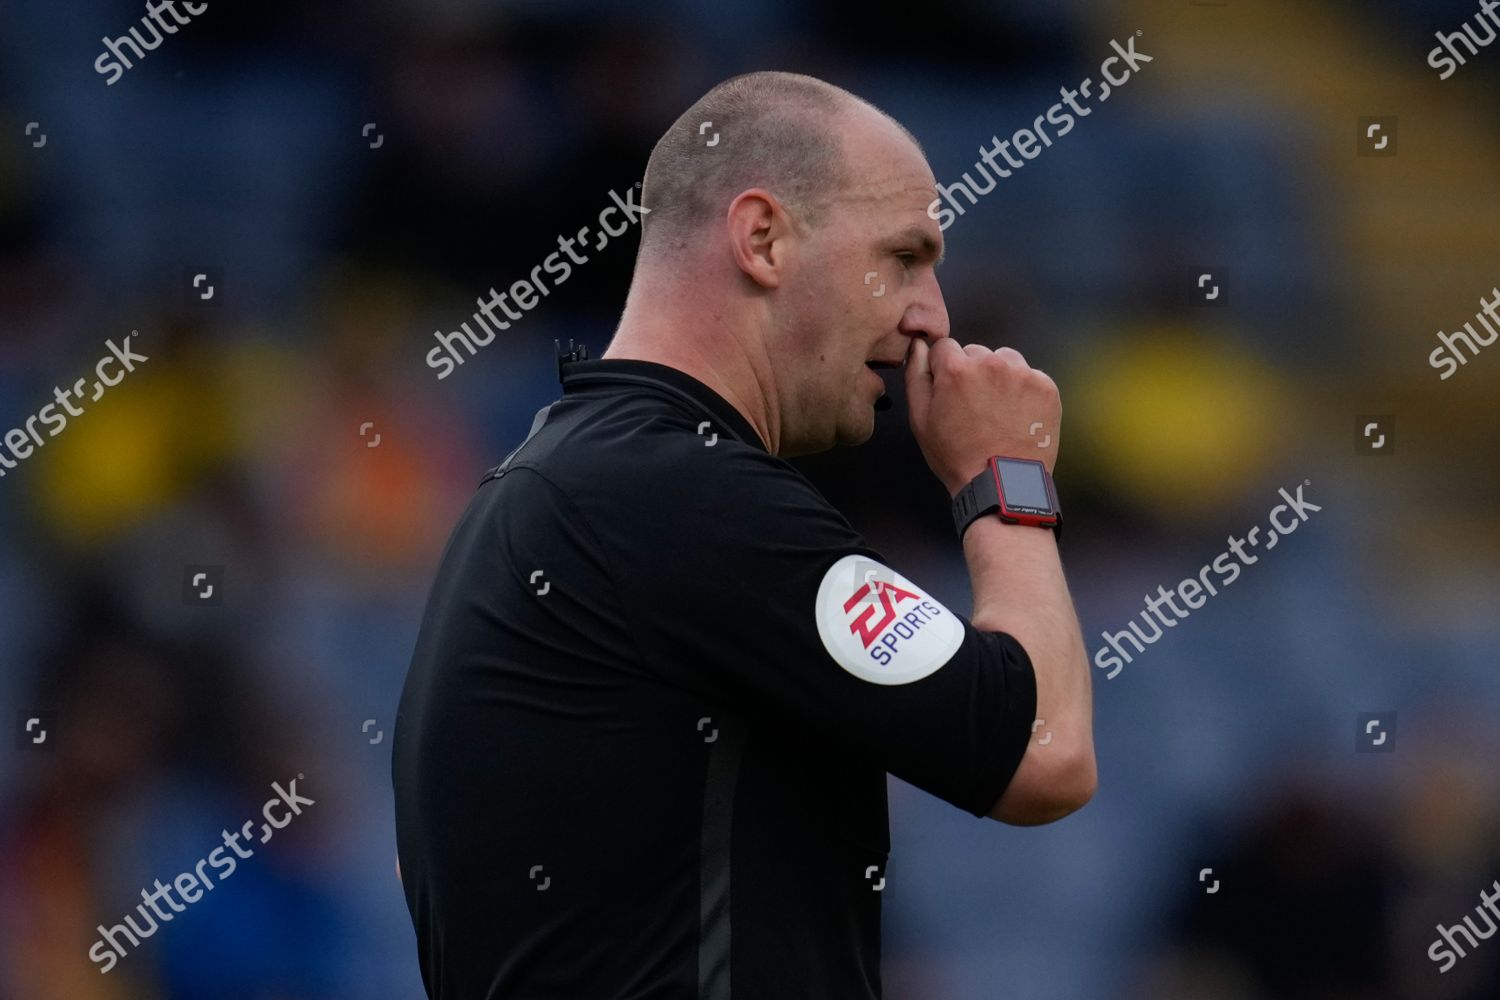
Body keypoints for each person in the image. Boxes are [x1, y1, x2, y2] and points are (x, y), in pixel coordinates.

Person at [393, 70, 1096, 1000]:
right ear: (762, 238)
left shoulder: (548, 491)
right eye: (904, 257)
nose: (933, 316)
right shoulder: (685, 496)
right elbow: (1043, 751)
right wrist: (1004, 476)